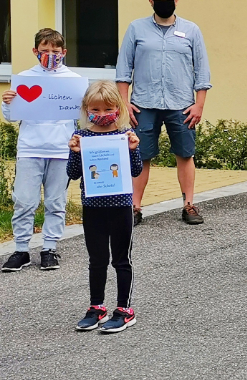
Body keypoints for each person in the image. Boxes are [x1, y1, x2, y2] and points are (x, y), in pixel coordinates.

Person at [117, 0, 211, 226]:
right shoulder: (136, 28)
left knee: (185, 153)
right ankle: (134, 207)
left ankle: (189, 204)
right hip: (143, 105)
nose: (164, 0)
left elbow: (202, 71)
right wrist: (124, 102)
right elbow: (124, 68)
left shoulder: (191, 30)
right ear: (150, 1)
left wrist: (199, 104)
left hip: (181, 104)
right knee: (140, 155)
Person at [0, 29, 82, 273]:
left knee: (56, 202)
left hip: (61, 150)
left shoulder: (74, 81)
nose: (50, 55)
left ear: (64, 53)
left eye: (55, 52)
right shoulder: (24, 78)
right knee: (24, 201)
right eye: (44, 51)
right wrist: (7, 103)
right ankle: (21, 249)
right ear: (35, 51)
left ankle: (49, 248)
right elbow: (12, 117)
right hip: (30, 149)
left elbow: (82, 117)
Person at [67, 81, 144, 334]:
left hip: (121, 206)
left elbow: (134, 171)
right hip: (93, 207)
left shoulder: (124, 135)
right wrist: (75, 152)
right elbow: (74, 174)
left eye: (108, 109)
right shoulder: (82, 136)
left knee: (121, 259)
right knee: (97, 260)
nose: (101, 114)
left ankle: (124, 310)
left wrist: (133, 149)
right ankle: (96, 307)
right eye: (95, 109)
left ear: (118, 108)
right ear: (86, 109)